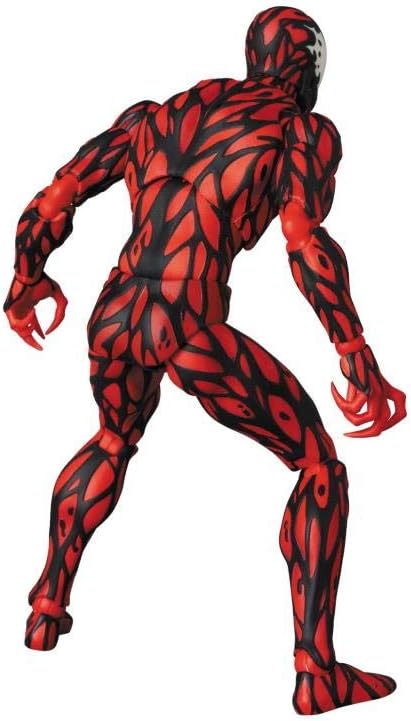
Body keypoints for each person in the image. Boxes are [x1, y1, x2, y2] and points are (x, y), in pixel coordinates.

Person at [4, 6, 406, 715]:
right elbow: (304, 240)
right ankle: (315, 672)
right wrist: (353, 349)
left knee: (111, 439)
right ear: (309, 67)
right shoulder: (299, 130)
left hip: (114, 312)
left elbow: (58, 194)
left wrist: (26, 276)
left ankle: (45, 610)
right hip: (188, 321)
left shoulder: (157, 114)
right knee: (319, 466)